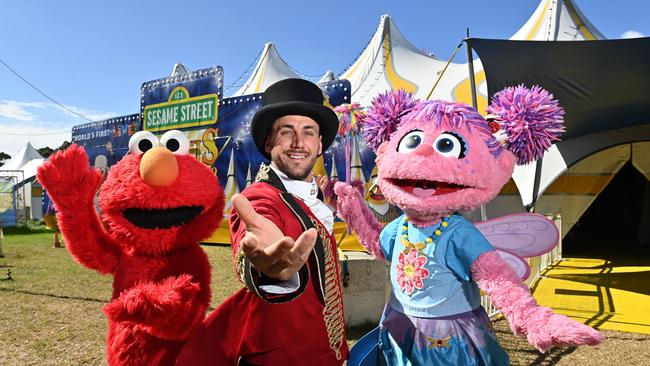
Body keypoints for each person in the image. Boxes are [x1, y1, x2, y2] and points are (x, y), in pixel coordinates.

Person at [177, 78, 349, 365]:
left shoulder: (315, 196)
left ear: (320, 145)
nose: (298, 143)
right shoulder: (259, 197)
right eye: (286, 131)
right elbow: (255, 232)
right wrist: (269, 271)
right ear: (269, 142)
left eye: (309, 132)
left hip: (327, 353)